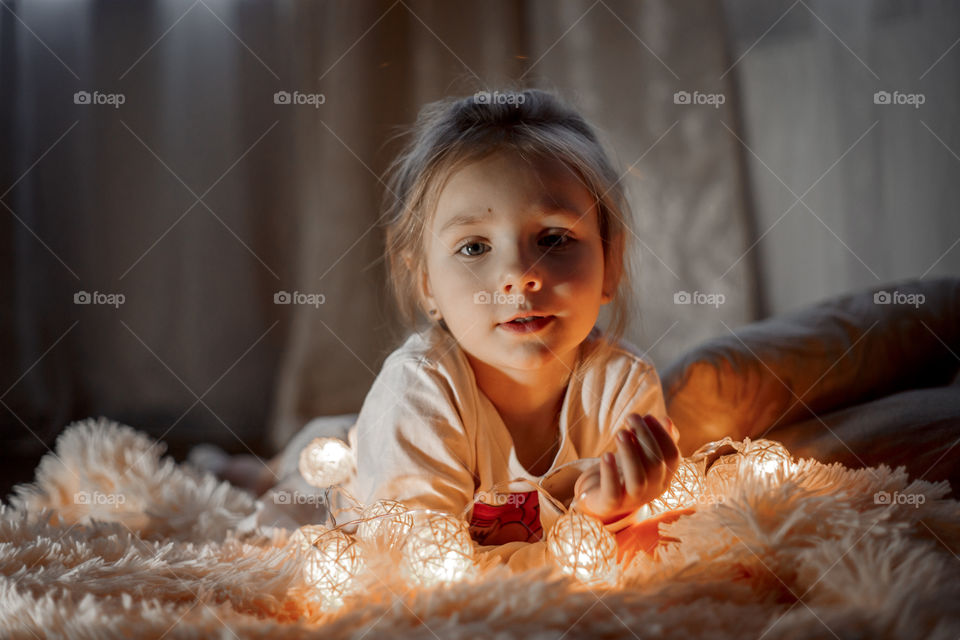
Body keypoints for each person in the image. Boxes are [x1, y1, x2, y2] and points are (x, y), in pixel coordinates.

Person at [349, 88, 681, 552]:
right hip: (357, 460)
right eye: (473, 247)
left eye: (554, 239)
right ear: (426, 282)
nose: (520, 277)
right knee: (293, 473)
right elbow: (418, 567)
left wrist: (609, 513)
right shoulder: (413, 394)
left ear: (612, 261)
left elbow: (631, 549)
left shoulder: (622, 387)